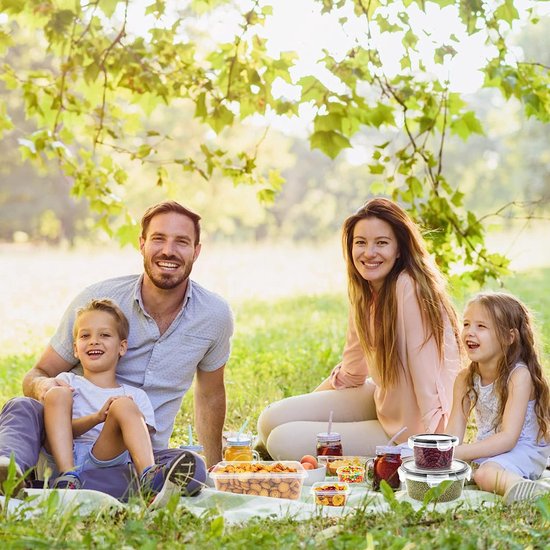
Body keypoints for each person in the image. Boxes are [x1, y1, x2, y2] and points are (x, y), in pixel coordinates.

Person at [0, 201, 233, 500]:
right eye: (159, 239)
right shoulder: (98, 301)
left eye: (182, 242)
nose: (168, 251)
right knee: (22, 406)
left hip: (130, 458)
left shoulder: (213, 315)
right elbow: (38, 373)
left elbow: (211, 395)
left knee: (193, 471)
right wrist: (47, 388)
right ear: (142, 244)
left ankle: (53, 489)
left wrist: (215, 467)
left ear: (196, 251)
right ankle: (10, 469)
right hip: (60, 443)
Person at [257, 197, 462, 459]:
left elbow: (429, 382)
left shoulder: (408, 288)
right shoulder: (365, 293)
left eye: (382, 243)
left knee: (282, 441)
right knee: (269, 420)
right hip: (382, 402)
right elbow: (351, 374)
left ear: (399, 249)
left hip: (409, 431)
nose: (369, 253)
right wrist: (309, 406)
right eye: (361, 243)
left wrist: (437, 447)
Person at [446, 292, 550, 504]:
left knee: (485, 473)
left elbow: (508, 438)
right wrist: (444, 453)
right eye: (466, 324)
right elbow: (453, 435)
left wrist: (456, 453)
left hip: (522, 449)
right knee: (423, 462)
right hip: (489, 448)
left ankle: (528, 491)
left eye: (481, 326)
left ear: (508, 337)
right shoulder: (465, 378)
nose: (469, 332)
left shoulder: (518, 376)